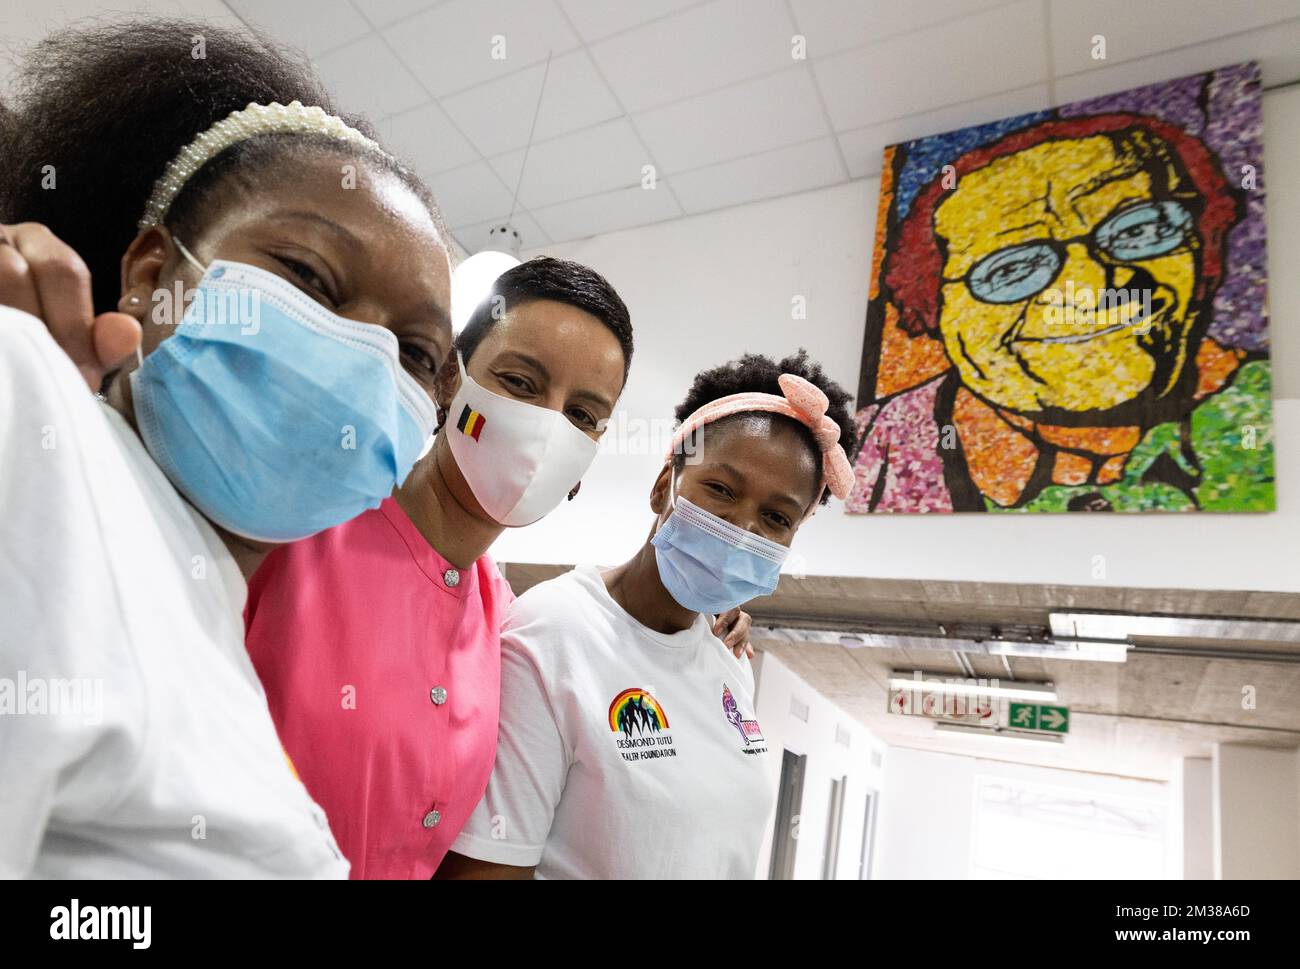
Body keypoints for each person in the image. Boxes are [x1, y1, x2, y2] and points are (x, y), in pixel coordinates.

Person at [0, 20, 452, 877]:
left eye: (418, 354)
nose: (366, 359)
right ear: (149, 272)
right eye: (311, 277)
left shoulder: (211, 619)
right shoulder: (26, 399)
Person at [439, 350, 857, 879]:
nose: (742, 528)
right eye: (722, 490)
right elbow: (487, 868)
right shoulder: (555, 630)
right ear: (664, 487)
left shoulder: (728, 660)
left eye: (776, 517)